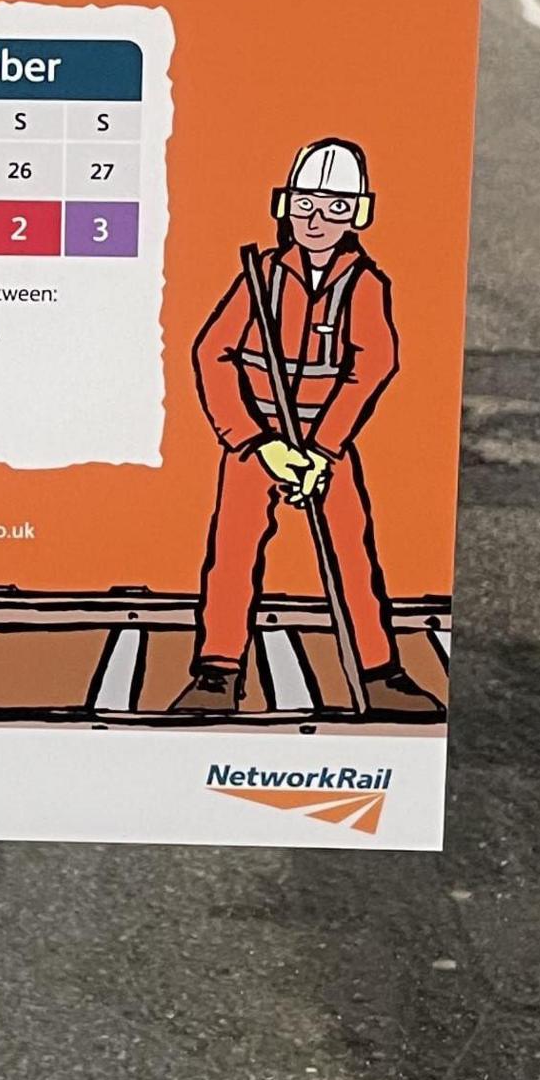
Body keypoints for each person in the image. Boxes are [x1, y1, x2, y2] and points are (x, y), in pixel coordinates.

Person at [176, 137, 440, 718]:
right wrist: (255, 441)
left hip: (327, 441)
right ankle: (217, 671)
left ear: (359, 214)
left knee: (350, 549)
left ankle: (378, 673)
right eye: (305, 205)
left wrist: (321, 449)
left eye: (335, 208)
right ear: (285, 206)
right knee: (233, 549)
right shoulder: (260, 275)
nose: (317, 220)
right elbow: (211, 353)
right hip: (257, 440)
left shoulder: (365, 284)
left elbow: (374, 362)